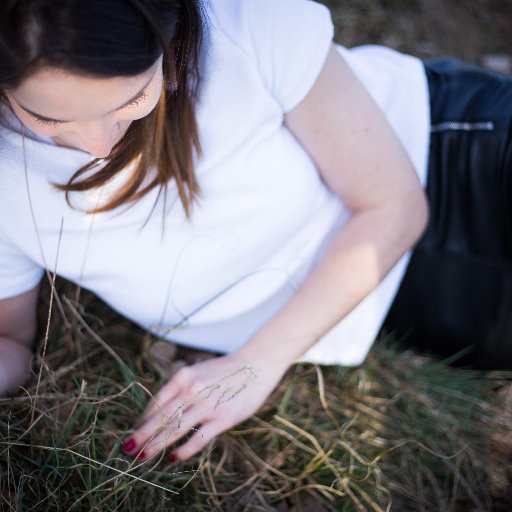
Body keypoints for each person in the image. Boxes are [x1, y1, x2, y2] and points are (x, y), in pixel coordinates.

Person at [0, 0, 509, 464]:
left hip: (441, 153)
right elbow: (10, 344)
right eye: (46, 116)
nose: (97, 146)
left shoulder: (241, 23)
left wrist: (255, 364)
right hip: (397, 302)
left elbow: (393, 206)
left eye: (131, 98)